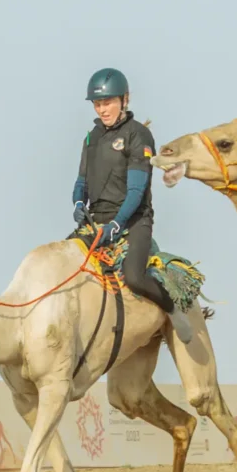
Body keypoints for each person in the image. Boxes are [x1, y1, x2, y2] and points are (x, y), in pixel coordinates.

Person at [71, 68, 184, 336]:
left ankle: (173, 310)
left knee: (133, 277)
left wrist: (117, 223)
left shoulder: (138, 135)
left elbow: (136, 189)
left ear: (125, 99)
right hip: (95, 219)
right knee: (63, 261)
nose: (102, 109)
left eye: (108, 102)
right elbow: (81, 182)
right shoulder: (91, 137)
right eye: (98, 104)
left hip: (134, 221)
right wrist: (77, 203)